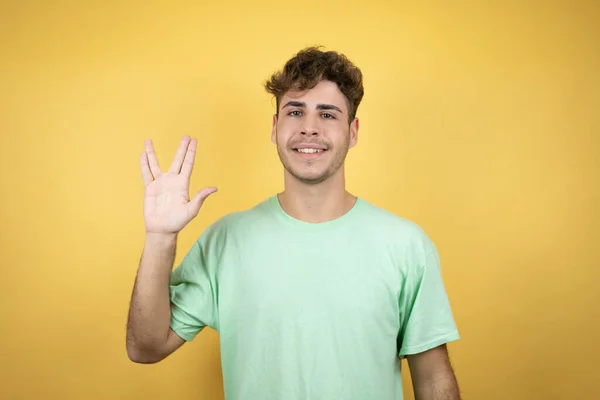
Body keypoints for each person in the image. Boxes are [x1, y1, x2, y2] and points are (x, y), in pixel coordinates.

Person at [126, 46, 461, 400]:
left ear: (354, 131)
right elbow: (145, 347)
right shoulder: (227, 240)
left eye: (328, 114)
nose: (309, 129)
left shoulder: (405, 244)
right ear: (275, 127)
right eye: (295, 111)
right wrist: (160, 237)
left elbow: (433, 380)